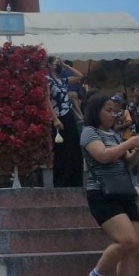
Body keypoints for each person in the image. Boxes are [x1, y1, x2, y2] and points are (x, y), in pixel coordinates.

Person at [81, 93, 139, 276]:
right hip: (102, 194)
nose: (113, 114)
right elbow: (102, 156)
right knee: (127, 240)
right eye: (108, 109)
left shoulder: (113, 134)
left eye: (114, 110)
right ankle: (98, 272)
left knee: (132, 249)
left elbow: (127, 164)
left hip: (123, 192)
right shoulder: (89, 132)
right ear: (96, 111)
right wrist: (129, 143)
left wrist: (138, 148)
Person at [47, 56, 84, 187]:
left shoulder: (62, 80)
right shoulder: (48, 81)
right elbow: (47, 100)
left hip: (68, 114)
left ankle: (75, 181)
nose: (58, 63)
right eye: (56, 62)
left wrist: (66, 66)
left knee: (74, 147)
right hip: (58, 116)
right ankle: (61, 182)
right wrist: (55, 119)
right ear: (50, 65)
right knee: (62, 150)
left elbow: (80, 76)